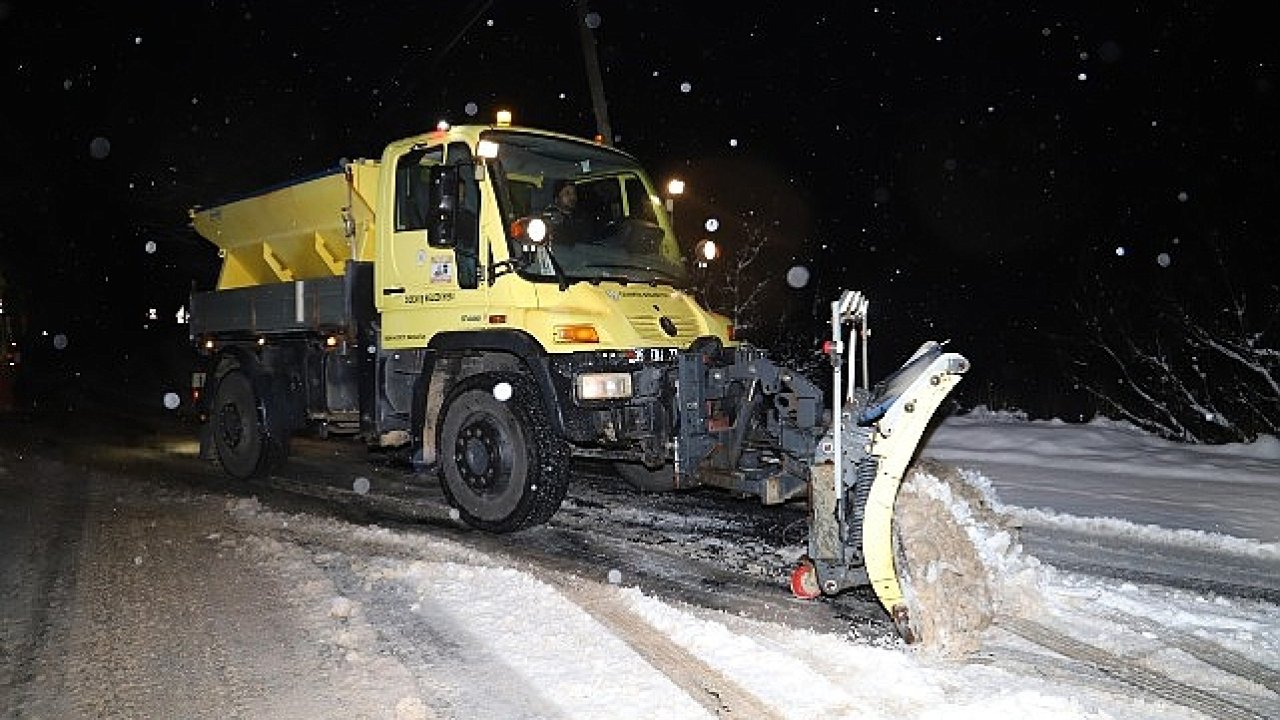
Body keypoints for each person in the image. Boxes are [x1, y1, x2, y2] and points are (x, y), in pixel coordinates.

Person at [547, 179, 589, 245]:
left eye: (574, 193)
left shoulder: (582, 217)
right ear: (556, 199)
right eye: (567, 193)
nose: (572, 197)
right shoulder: (549, 219)